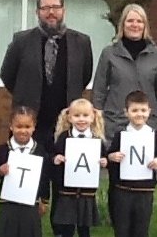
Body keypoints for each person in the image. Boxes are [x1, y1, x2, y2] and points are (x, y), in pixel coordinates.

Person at [0, 0, 93, 155]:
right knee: (33, 178)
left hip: (66, 122)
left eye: (56, 7)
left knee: (62, 176)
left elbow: (84, 76)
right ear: (37, 12)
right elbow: (7, 75)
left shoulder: (82, 42)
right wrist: (26, 94)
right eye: (45, 8)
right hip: (31, 122)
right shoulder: (21, 41)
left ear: (63, 10)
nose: (51, 12)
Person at [92, 3, 157, 146]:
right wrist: (97, 125)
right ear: (122, 24)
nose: (135, 25)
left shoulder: (156, 55)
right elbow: (99, 91)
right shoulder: (109, 53)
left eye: (139, 21)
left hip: (148, 125)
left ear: (145, 25)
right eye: (130, 21)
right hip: (115, 125)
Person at [106, 91, 157, 237]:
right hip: (122, 189)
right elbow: (110, 157)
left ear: (149, 111)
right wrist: (112, 157)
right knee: (121, 228)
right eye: (134, 110)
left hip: (144, 190)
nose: (139, 114)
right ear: (126, 112)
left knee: (141, 228)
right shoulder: (121, 135)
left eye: (143, 110)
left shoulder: (153, 135)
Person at [51, 98, 108, 237]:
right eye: (77, 116)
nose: (81, 119)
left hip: (86, 192)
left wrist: (104, 162)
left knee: (84, 229)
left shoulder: (97, 139)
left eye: (85, 115)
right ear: (69, 117)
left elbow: (104, 157)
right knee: (67, 228)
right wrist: (56, 159)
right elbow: (54, 155)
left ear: (93, 117)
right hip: (67, 192)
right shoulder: (64, 137)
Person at [0, 106, 50, 237]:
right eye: (19, 126)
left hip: (31, 202)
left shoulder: (39, 150)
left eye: (27, 127)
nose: (23, 131)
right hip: (8, 202)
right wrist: (0, 171)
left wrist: (44, 200)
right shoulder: (3, 149)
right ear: (11, 126)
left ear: (34, 127)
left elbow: (44, 177)